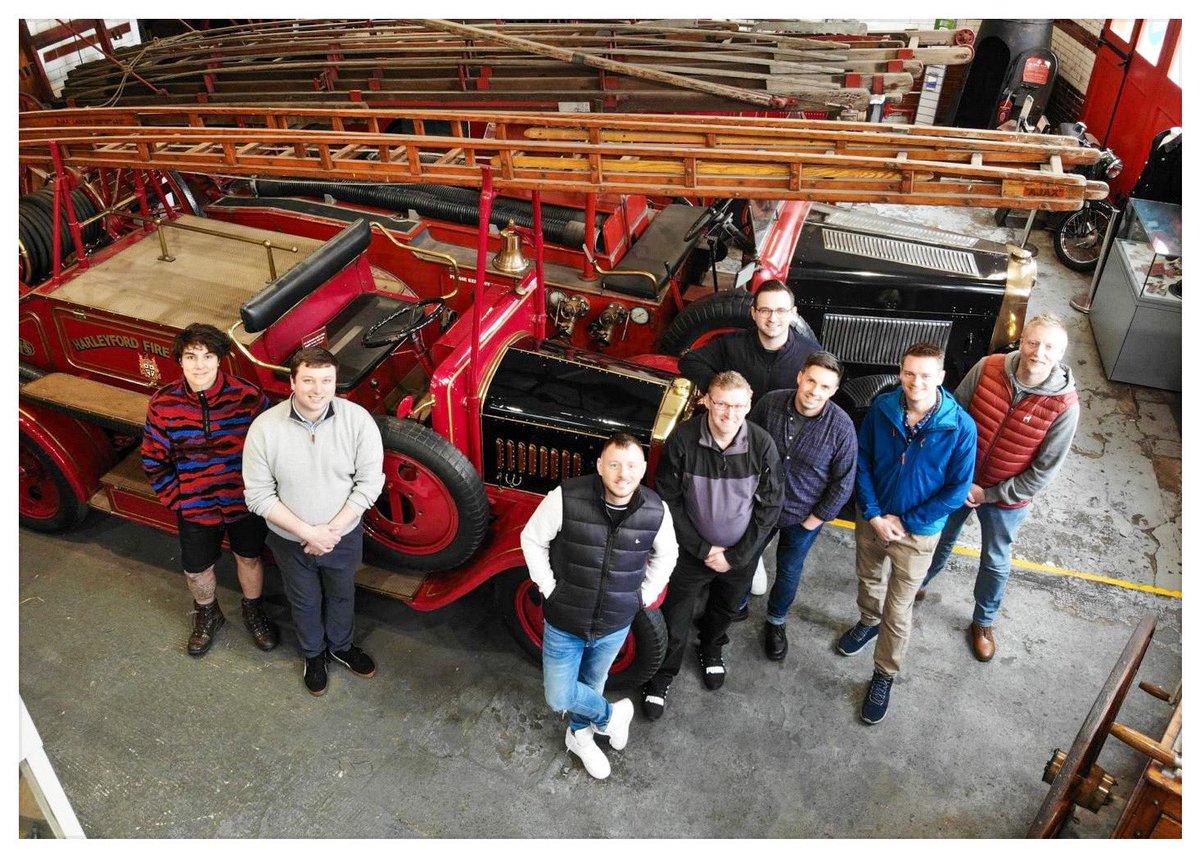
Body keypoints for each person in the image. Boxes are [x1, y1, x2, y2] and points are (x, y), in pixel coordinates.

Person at [918, 314, 1079, 662]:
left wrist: (988, 494)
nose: (1038, 353)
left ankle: (983, 622)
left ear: (1061, 354)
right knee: (939, 538)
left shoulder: (1065, 406)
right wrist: (958, 479)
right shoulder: (989, 367)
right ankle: (917, 584)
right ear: (1021, 341)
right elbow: (953, 417)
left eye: (1050, 347)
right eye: (1033, 342)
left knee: (995, 561)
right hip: (960, 482)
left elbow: (1042, 472)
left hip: (1007, 499)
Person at [520, 433, 678, 780]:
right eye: (615, 465)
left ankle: (579, 736)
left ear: (643, 469)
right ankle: (610, 716)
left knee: (593, 683)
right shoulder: (565, 498)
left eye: (632, 466)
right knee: (559, 696)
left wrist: (643, 597)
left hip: (615, 625)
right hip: (564, 621)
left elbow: (667, 555)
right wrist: (548, 587)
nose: (624, 474)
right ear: (600, 467)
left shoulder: (656, 511)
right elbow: (531, 539)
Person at [837, 342, 975, 725]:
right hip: (873, 520)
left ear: (941, 378)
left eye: (925, 375)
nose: (916, 382)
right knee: (867, 578)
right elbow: (862, 460)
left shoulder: (960, 427)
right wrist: (875, 513)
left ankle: (884, 674)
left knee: (898, 610)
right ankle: (867, 622)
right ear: (900, 371)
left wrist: (907, 522)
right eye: (909, 373)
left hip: (917, 535)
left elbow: (957, 490)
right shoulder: (882, 409)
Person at [242, 347, 384, 697]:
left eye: (326, 381)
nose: (318, 390)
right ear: (292, 382)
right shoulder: (264, 429)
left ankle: (341, 647)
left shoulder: (358, 421)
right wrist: (308, 532)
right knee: (303, 599)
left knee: (341, 594)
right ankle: (313, 655)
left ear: (335, 383)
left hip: (342, 537)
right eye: (308, 380)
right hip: (291, 541)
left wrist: (331, 531)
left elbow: (370, 482)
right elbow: (258, 495)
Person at [642, 370, 782, 719]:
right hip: (690, 555)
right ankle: (662, 675)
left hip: (739, 558)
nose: (729, 414)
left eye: (737, 405)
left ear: (749, 405)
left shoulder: (762, 445)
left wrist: (736, 555)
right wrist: (702, 549)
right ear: (706, 401)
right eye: (721, 404)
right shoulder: (683, 441)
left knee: (724, 611)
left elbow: (770, 507)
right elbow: (669, 501)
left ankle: (711, 649)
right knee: (675, 619)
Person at [678, 279, 821, 606]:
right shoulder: (732, 345)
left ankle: (749, 562)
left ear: (793, 314)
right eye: (766, 310)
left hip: (780, 455)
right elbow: (690, 361)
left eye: (781, 310)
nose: (773, 318)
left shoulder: (809, 355)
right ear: (754, 313)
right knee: (729, 509)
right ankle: (726, 569)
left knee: (765, 512)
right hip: (731, 450)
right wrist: (723, 393)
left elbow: (822, 395)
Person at [142, 323, 277, 657]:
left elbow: (275, 449)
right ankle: (207, 613)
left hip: (245, 502)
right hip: (195, 507)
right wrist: (179, 499)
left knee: (249, 556)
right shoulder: (163, 404)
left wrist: (263, 493)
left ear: (220, 360)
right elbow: (153, 459)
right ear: (180, 361)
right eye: (191, 356)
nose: (199, 364)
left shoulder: (248, 398)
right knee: (197, 568)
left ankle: (253, 609)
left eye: (207, 356)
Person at [747, 351, 856, 661]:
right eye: (811, 381)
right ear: (800, 376)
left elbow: (843, 482)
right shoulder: (770, 403)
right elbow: (748, 445)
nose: (815, 391)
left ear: (833, 391)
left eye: (825, 387)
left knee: (789, 571)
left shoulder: (841, 428)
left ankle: (775, 622)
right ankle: (735, 604)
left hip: (802, 517)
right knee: (745, 559)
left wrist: (815, 520)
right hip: (760, 507)